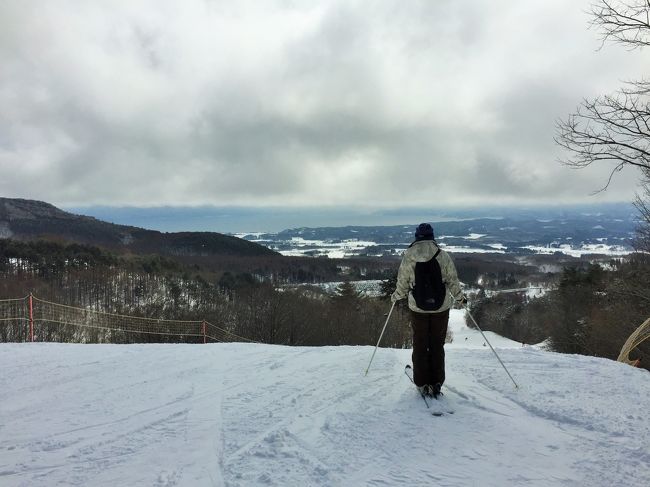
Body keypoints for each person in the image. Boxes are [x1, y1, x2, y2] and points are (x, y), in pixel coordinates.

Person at [391, 223, 465, 398]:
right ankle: (437, 381)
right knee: (437, 344)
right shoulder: (443, 255)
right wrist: (460, 298)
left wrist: (396, 296)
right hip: (441, 308)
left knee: (420, 343)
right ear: (432, 236)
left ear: (417, 237)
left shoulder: (409, 256)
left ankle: (422, 381)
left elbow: (403, 282)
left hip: (417, 308)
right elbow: (452, 281)